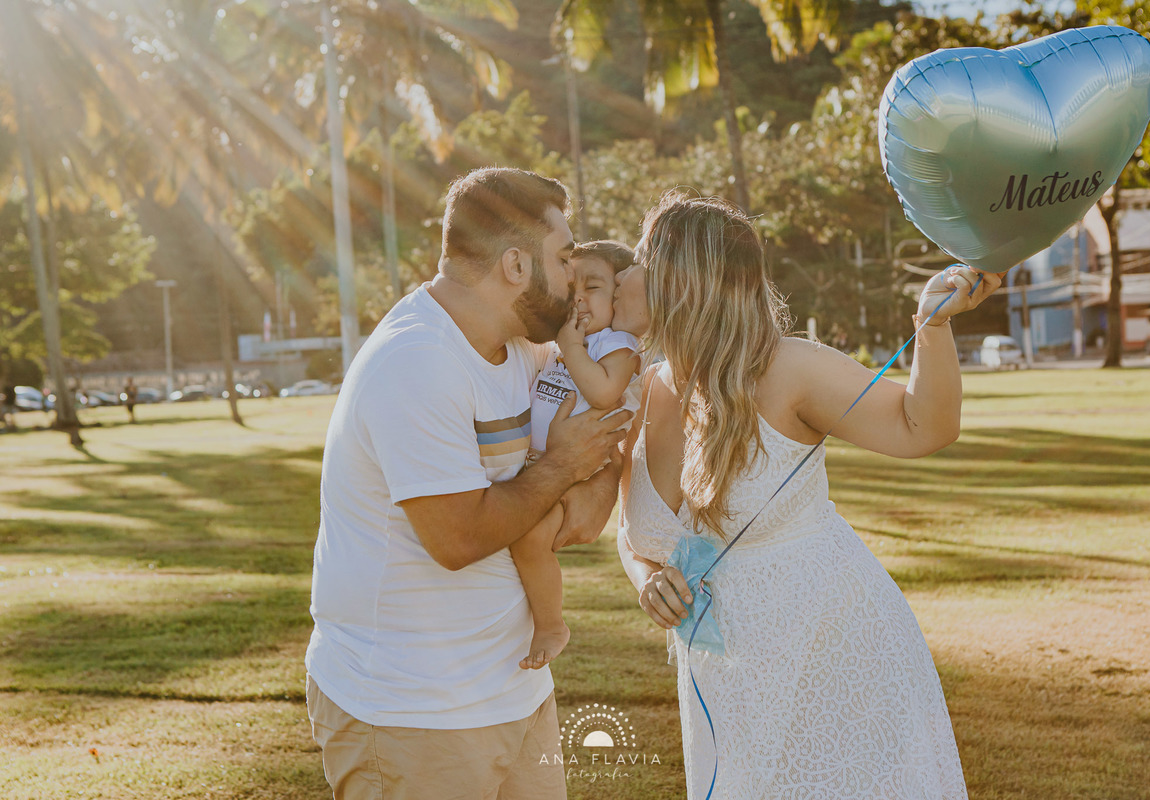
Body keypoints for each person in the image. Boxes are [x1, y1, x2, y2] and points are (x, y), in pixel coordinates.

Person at [613, 193, 1003, 799]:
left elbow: (922, 427)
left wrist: (934, 326)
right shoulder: (650, 386)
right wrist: (645, 578)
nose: (624, 274)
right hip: (727, 666)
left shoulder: (788, 368)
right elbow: (636, 533)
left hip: (830, 646)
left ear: (679, 280)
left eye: (641, 259)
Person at [304, 167, 632, 800]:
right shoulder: (417, 362)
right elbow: (457, 538)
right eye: (563, 258)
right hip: (410, 710)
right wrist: (562, 469)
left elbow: (596, 487)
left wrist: (588, 475)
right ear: (515, 265)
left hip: (516, 690)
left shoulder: (526, 351)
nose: (572, 279)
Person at [514, 240, 643, 670]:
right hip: (542, 465)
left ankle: (551, 624)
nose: (580, 299)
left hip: (581, 473)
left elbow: (605, 392)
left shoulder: (617, 343)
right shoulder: (563, 340)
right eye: (573, 289)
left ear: (619, 296)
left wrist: (571, 348)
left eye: (594, 287)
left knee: (530, 538)